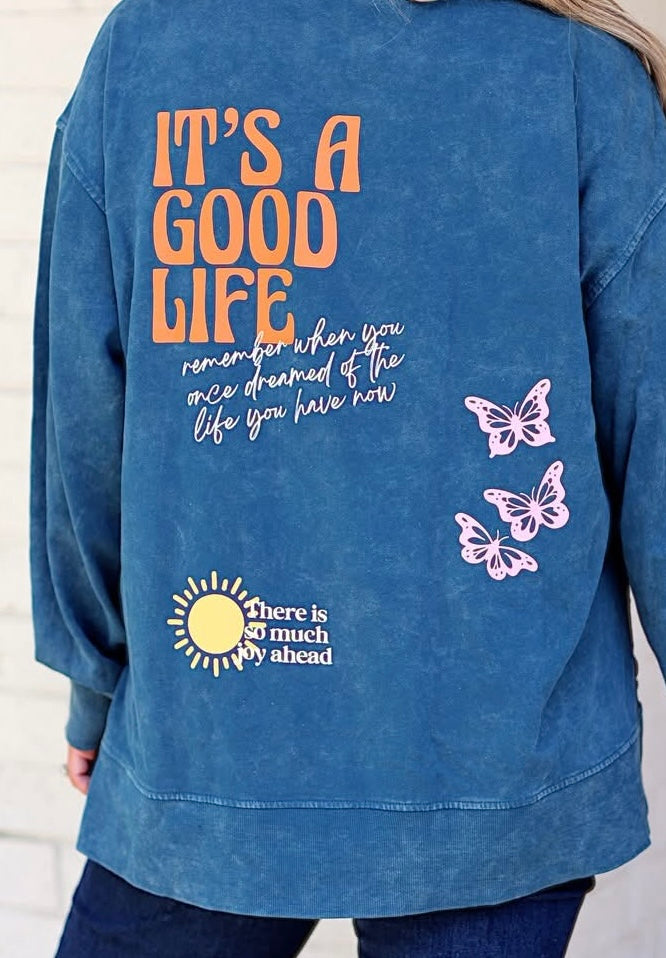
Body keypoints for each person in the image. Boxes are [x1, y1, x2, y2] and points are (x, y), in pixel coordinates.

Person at [28, 0, 666, 954]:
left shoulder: (148, 48)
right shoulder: (579, 74)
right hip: (492, 774)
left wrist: (97, 680)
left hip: (211, 743)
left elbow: (84, 422)